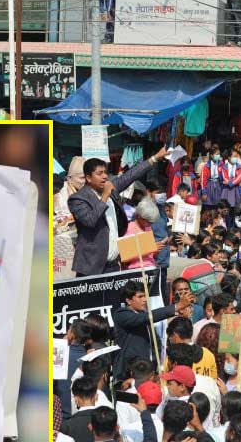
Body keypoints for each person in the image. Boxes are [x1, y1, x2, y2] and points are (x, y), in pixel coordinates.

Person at [69, 147, 168, 277]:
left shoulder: (111, 188)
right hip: (92, 266)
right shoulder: (78, 199)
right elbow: (90, 220)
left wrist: (155, 158)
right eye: (99, 173)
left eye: (105, 172)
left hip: (113, 264)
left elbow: (131, 175)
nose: (105, 176)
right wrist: (104, 196)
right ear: (88, 177)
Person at [114, 280, 193, 376]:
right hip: (130, 373)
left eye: (145, 296)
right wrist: (177, 306)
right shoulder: (122, 315)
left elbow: (156, 343)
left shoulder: (144, 315)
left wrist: (156, 365)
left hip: (150, 371)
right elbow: (147, 317)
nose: (145, 300)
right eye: (140, 297)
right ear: (129, 301)